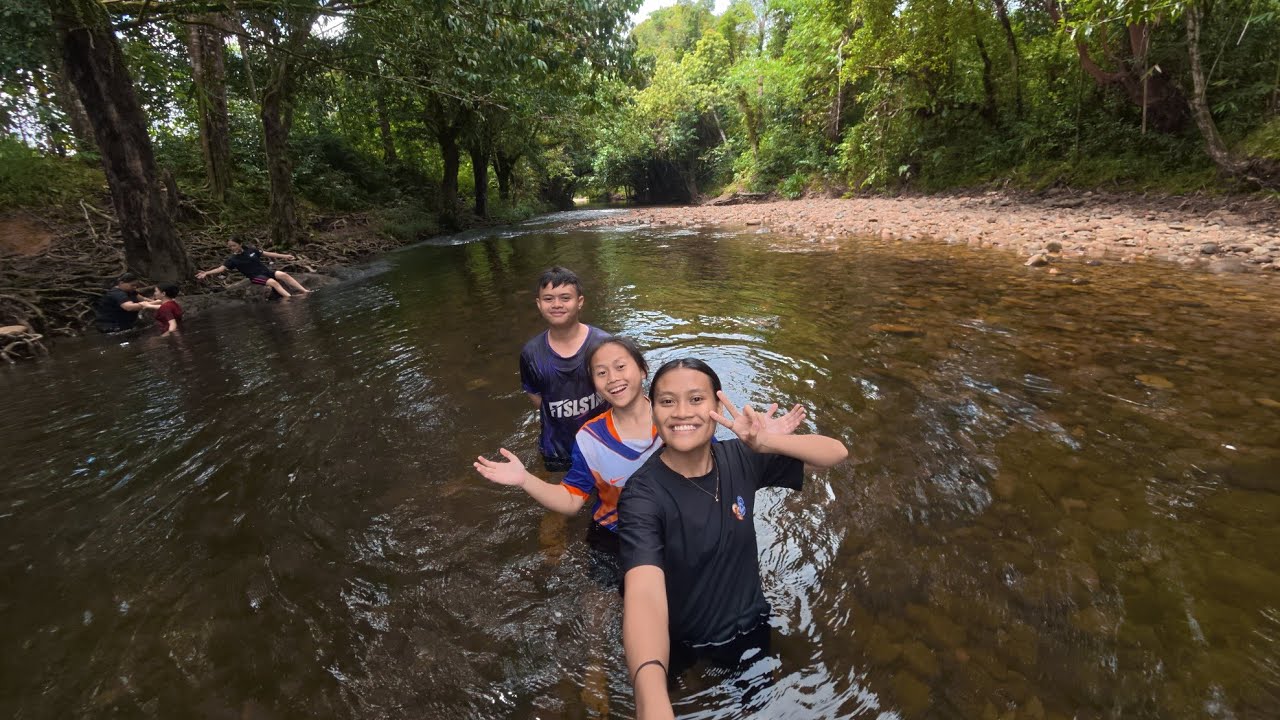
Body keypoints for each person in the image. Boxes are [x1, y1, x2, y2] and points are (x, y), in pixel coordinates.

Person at [619, 359, 848, 719]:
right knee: (684, 699)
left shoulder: (740, 456)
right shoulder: (642, 496)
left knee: (755, 705)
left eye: (696, 399)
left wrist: (767, 441)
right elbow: (644, 591)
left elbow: (835, 453)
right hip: (684, 638)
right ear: (651, 409)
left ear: (715, 407)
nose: (682, 413)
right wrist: (650, 696)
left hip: (751, 623)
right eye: (667, 401)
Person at [476, 337, 806, 572]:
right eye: (601, 372)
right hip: (615, 535)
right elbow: (573, 499)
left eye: (621, 366)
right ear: (593, 383)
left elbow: (712, 469)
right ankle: (596, 662)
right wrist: (524, 479)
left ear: (643, 371)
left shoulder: (679, 420)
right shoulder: (590, 438)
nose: (613, 378)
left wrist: (766, 442)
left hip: (680, 530)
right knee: (600, 606)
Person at [518, 266, 611, 472]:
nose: (557, 304)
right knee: (563, 497)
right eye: (549, 298)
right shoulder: (531, 353)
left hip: (604, 441)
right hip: (558, 446)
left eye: (565, 298)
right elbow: (535, 396)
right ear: (539, 304)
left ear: (579, 302)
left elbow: (620, 390)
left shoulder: (603, 344)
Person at [195, 237, 309, 297]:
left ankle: (304, 291)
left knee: (283, 274)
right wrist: (206, 273)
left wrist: (285, 256)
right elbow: (221, 269)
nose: (232, 248)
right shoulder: (232, 259)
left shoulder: (251, 250)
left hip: (266, 271)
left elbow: (267, 253)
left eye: (234, 245)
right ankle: (289, 298)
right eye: (230, 246)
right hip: (255, 277)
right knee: (274, 283)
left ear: (240, 244)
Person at [94, 272, 161, 333]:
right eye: (132, 285)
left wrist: (161, 302)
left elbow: (143, 299)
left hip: (126, 323)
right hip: (112, 326)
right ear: (121, 283)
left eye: (136, 285)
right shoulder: (117, 293)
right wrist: (152, 304)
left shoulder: (131, 291)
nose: (135, 287)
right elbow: (129, 307)